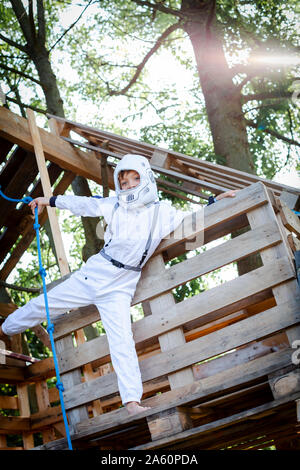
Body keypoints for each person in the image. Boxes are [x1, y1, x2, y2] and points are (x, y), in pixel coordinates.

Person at [0, 154, 239, 415]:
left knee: (122, 341)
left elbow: (192, 218)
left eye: (134, 179)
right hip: (94, 274)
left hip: (121, 286)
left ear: (145, 178)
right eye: (123, 182)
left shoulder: (162, 213)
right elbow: (83, 204)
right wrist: (48, 200)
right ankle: (4, 329)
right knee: (42, 305)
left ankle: (132, 402)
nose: (128, 186)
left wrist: (215, 201)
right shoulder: (114, 205)